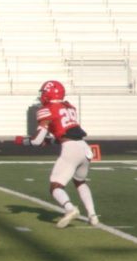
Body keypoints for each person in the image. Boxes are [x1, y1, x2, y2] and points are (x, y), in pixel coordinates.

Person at [14, 79, 100, 228]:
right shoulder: (69, 107)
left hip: (71, 149)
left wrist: (23, 141)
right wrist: (51, 141)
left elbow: (36, 141)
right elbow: (66, 132)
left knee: (55, 186)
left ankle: (70, 209)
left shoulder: (47, 110)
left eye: (44, 93)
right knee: (80, 182)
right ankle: (92, 215)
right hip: (84, 147)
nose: (42, 96)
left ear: (48, 93)